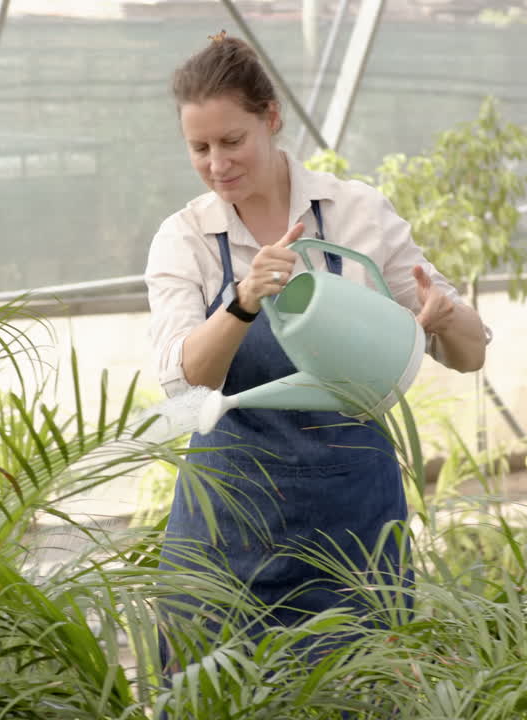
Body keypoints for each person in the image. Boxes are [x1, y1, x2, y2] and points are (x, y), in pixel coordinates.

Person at [145, 32, 490, 670]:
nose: (217, 164)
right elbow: (186, 385)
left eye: (232, 141)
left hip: (352, 530)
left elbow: (468, 354)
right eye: (200, 148)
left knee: (357, 692)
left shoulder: (357, 213)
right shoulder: (186, 239)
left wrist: (445, 316)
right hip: (228, 533)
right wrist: (243, 300)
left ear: (271, 119)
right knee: (214, 699)